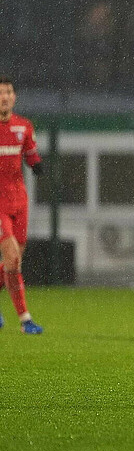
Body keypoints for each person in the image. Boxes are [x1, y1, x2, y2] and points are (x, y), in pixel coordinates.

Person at [0, 76, 44, 334]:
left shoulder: (24, 126)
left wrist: (38, 165)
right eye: (0, 92)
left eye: (8, 92)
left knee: (12, 263)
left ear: (14, 97)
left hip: (19, 201)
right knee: (13, 260)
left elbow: (31, 155)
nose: (4, 97)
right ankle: (25, 320)